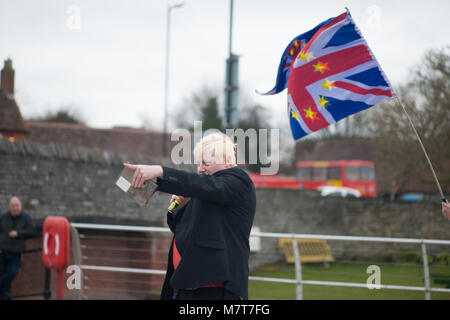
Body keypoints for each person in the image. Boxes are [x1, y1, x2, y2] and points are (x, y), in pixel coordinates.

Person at [123, 132, 256, 300]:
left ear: (228, 159)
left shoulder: (238, 181)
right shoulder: (206, 188)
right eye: (198, 163)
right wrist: (177, 209)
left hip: (216, 288)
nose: (200, 168)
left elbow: (201, 184)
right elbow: (183, 230)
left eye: (206, 162)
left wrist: (160, 171)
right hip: (189, 284)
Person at [0, 196, 35, 300]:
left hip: (16, 253)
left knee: (12, 272)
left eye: (17, 206)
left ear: (21, 206)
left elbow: (32, 231)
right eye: (13, 206)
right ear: (9, 207)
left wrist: (18, 233)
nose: (15, 208)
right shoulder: (3, 217)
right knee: (3, 275)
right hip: (2, 252)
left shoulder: (26, 217)